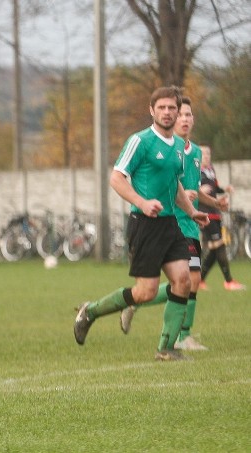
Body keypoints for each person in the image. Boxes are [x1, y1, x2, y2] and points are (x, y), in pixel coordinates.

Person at [72, 86, 209, 361]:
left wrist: (192, 211)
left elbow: (176, 185)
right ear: (152, 111)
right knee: (145, 292)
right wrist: (143, 202)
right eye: (162, 108)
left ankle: (166, 349)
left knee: (183, 280)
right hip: (144, 224)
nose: (168, 113)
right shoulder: (141, 141)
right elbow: (117, 178)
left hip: (171, 224)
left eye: (172, 108)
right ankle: (91, 311)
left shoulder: (179, 151)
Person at [117, 96, 225, 352]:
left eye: (188, 115)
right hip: (170, 222)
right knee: (191, 279)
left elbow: (192, 189)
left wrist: (213, 202)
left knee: (189, 280)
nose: (185, 119)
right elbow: (170, 187)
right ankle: (180, 336)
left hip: (190, 222)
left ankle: (141, 306)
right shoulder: (163, 146)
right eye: (182, 114)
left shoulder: (195, 152)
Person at [198, 145, 246, 291]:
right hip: (204, 213)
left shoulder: (210, 170)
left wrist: (225, 189)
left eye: (208, 153)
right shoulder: (194, 171)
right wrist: (199, 190)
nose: (206, 156)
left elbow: (215, 188)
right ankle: (229, 281)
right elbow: (188, 189)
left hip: (215, 211)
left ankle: (200, 281)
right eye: (203, 154)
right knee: (219, 244)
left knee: (214, 248)